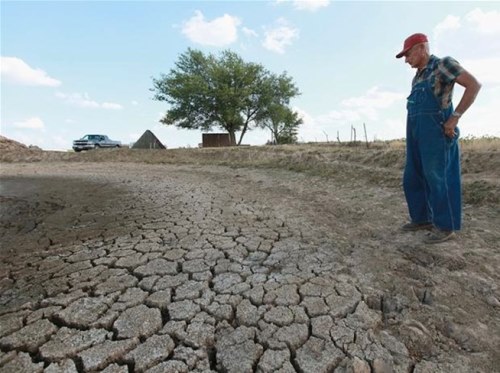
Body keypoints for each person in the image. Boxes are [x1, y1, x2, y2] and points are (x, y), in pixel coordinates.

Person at [396, 33, 481, 244]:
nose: (406, 60)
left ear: (421, 48)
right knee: (412, 176)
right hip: (416, 131)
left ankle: (445, 226)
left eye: (407, 54)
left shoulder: (443, 64)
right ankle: (422, 218)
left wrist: (455, 118)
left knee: (438, 177)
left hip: (436, 130)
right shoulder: (418, 76)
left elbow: (474, 85)